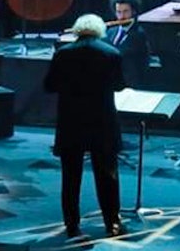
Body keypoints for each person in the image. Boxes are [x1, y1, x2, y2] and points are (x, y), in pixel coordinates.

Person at [43, 13, 126, 239]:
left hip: (71, 123)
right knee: (107, 175)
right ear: (100, 31)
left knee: (71, 178)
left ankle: (72, 225)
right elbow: (119, 86)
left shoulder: (62, 54)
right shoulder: (112, 53)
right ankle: (112, 223)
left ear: (77, 30)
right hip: (102, 123)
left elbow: (49, 86)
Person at [106, 0, 150, 89]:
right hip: (111, 82)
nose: (121, 16)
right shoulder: (110, 31)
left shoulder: (140, 34)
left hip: (130, 85)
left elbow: (142, 64)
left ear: (133, 11)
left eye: (126, 11)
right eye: (119, 12)